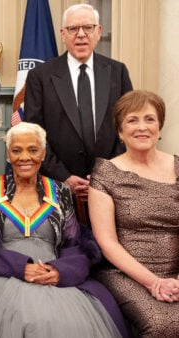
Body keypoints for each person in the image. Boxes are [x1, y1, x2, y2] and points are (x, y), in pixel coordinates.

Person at [0, 122, 129, 337]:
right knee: (27, 319)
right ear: (8, 155)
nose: (24, 157)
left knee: (70, 323)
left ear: (43, 154)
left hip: (53, 275)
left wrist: (59, 272)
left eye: (33, 150)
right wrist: (21, 268)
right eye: (16, 150)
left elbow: (75, 245)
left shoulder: (60, 191)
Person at [89, 90, 179, 337]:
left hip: (176, 273)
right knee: (164, 324)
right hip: (126, 274)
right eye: (132, 120)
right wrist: (154, 282)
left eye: (150, 119)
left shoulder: (178, 166)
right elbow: (107, 243)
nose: (142, 127)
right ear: (120, 131)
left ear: (160, 127)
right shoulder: (106, 173)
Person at [24, 3, 133, 197]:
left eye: (88, 27)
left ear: (98, 32)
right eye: (73, 28)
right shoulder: (40, 76)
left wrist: (106, 174)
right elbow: (34, 134)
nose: (81, 34)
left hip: (110, 186)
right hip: (57, 188)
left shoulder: (118, 72)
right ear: (63, 34)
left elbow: (127, 127)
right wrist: (64, 177)